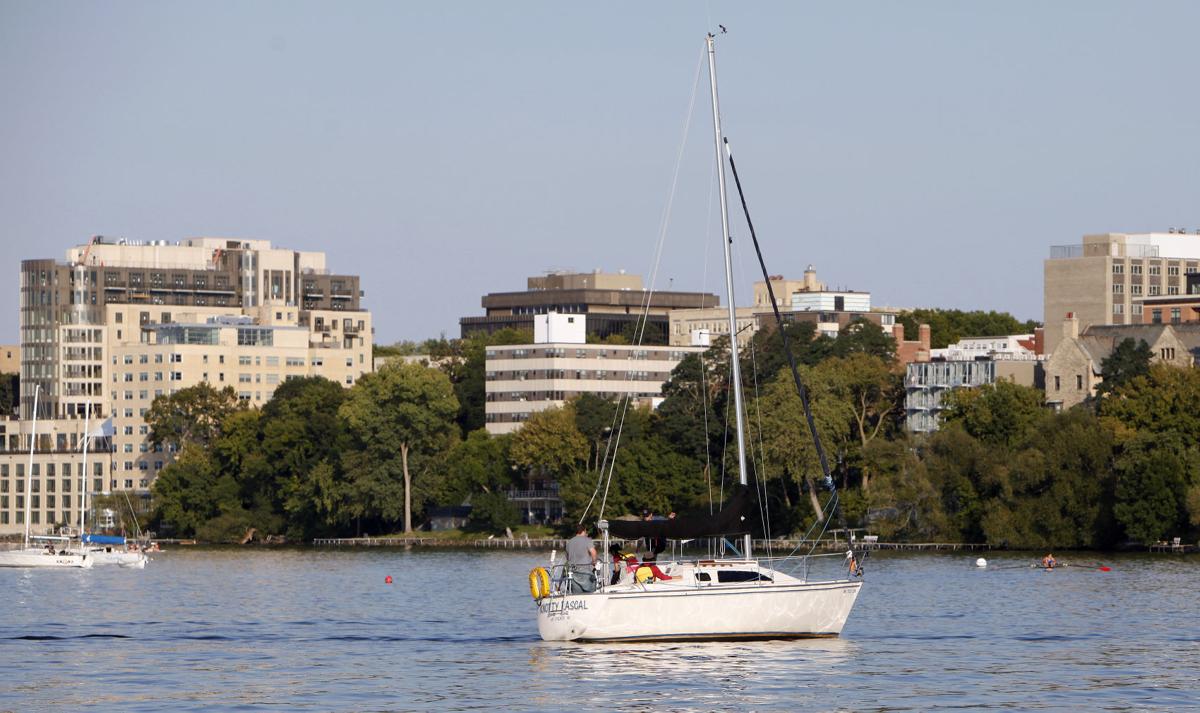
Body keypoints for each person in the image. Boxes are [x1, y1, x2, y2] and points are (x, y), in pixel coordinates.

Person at [565, 525, 598, 594]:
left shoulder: (569, 542)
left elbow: (567, 558)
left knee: (576, 593)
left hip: (572, 573)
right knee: (591, 590)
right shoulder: (587, 540)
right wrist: (594, 562)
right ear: (584, 530)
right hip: (585, 572)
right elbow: (593, 552)